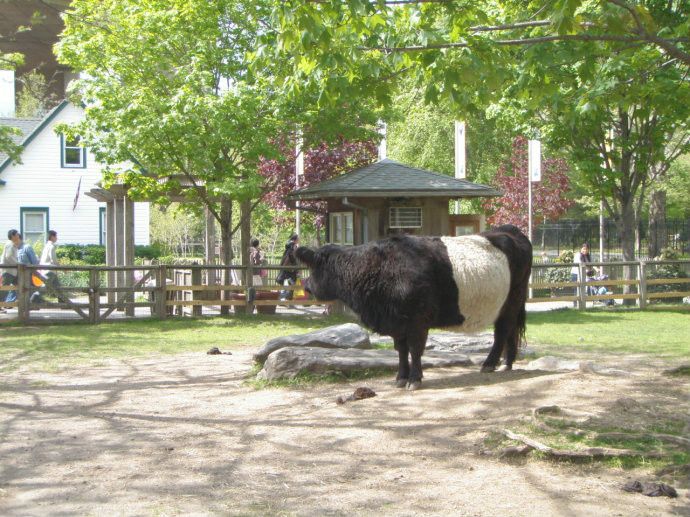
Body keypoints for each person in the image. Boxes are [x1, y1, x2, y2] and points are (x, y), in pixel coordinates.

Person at [17, 236, 44, 305]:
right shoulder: (16, 249)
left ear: (19, 239)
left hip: (29, 272)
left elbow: (34, 260)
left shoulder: (27, 247)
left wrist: (35, 271)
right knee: (24, 289)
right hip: (20, 274)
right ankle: (28, 305)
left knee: (31, 288)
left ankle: (33, 304)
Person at [0, 229, 21, 312]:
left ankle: (21, 304)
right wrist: (18, 264)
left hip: (12, 271)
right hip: (8, 271)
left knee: (21, 285)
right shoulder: (10, 244)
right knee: (5, 288)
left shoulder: (13, 245)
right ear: (12, 236)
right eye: (17, 234)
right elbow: (8, 257)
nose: (18, 236)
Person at [276, 234, 299, 300]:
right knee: (290, 284)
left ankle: (284, 299)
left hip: (287, 270)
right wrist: (297, 269)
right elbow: (293, 260)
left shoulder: (287, 250)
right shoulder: (291, 251)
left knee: (286, 284)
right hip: (290, 270)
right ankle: (287, 299)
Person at [40, 230, 60, 294]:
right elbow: (53, 260)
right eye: (56, 236)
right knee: (44, 288)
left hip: (45, 269)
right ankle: (34, 298)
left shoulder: (46, 246)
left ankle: (62, 301)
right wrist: (61, 267)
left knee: (58, 287)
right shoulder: (51, 247)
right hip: (49, 270)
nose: (57, 238)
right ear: (52, 237)